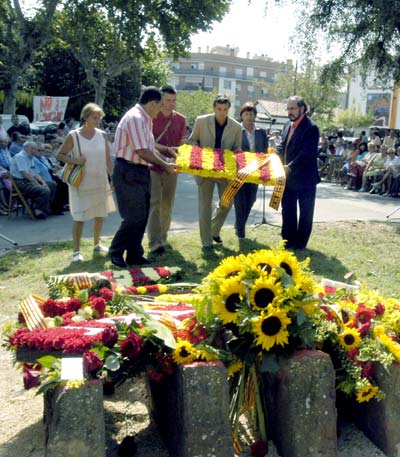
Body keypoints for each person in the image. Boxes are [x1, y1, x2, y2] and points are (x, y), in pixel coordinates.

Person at [108, 86, 177, 269]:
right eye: (160, 105)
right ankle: (115, 252)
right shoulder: (136, 118)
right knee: (133, 216)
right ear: (152, 103)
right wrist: (165, 165)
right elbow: (142, 151)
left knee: (142, 215)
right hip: (128, 170)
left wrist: (167, 157)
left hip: (140, 171)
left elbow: (151, 146)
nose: (161, 109)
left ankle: (134, 254)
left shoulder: (145, 119)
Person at [57, 103, 115, 262]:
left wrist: (113, 178)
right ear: (85, 117)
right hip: (81, 182)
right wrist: (76, 160)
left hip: (99, 180)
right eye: (94, 117)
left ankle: (97, 244)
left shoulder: (102, 134)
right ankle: (76, 252)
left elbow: (108, 160)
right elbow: (60, 155)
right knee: (80, 217)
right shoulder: (73, 135)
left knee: (100, 215)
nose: (97, 120)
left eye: (99, 117)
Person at [189, 94, 242, 250]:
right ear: (214, 108)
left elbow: (237, 147)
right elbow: (192, 140)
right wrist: (202, 154)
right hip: (205, 171)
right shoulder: (201, 121)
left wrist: (235, 155)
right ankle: (206, 242)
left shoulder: (237, 127)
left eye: (225, 109)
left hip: (225, 172)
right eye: (219, 109)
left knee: (227, 202)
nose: (222, 112)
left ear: (228, 109)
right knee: (205, 206)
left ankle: (213, 229)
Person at [147, 85, 187, 255]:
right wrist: (166, 149)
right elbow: (148, 143)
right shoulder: (151, 118)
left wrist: (181, 156)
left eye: (174, 100)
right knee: (154, 204)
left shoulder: (181, 119)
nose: (171, 104)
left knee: (167, 205)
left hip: (173, 167)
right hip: (154, 166)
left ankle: (163, 237)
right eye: (167, 100)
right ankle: (154, 241)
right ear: (160, 101)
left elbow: (182, 142)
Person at [276, 96, 320, 250]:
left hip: (305, 179)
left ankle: (301, 244)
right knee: (287, 209)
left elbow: (306, 153)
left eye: (293, 108)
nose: (290, 112)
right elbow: (283, 145)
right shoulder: (287, 125)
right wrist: (275, 157)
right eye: (288, 108)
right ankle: (288, 241)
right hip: (287, 177)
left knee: (305, 212)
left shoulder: (311, 128)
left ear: (302, 108)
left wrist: (290, 166)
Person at [234, 102, 268, 239]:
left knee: (251, 199)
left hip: (255, 172)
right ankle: (241, 232)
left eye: (251, 114)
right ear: (241, 116)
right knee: (239, 201)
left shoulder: (261, 132)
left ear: (255, 116)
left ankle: (239, 224)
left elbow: (265, 151)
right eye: (246, 114)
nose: (249, 117)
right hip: (239, 171)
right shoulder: (236, 130)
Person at [9, 141, 52, 219]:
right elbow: (25, 173)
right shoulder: (20, 156)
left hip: (28, 181)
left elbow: (35, 173)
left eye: (35, 149)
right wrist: (37, 184)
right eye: (32, 149)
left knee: (52, 184)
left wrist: (43, 182)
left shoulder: (30, 157)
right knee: (43, 190)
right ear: (25, 148)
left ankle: (48, 208)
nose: (34, 151)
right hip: (21, 183)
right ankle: (38, 210)